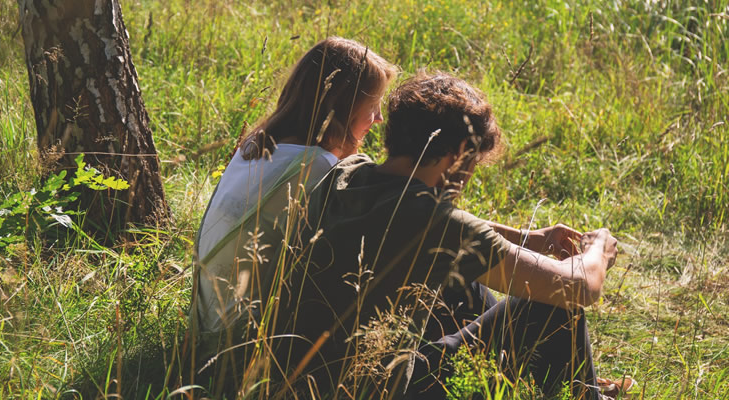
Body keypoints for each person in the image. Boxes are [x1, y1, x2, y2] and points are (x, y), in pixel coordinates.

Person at [277, 72, 625, 399]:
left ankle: (556, 382)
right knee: (555, 307)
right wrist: (598, 250)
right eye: (474, 162)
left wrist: (525, 238)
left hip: (297, 377)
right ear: (458, 154)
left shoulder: (350, 173)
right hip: (384, 388)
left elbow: (439, 227)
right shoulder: (438, 225)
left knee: (466, 282)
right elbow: (579, 287)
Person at [190, 37, 396, 396]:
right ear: (343, 107)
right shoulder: (315, 167)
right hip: (245, 348)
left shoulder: (256, 145)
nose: (378, 119)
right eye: (373, 107)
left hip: (208, 329)